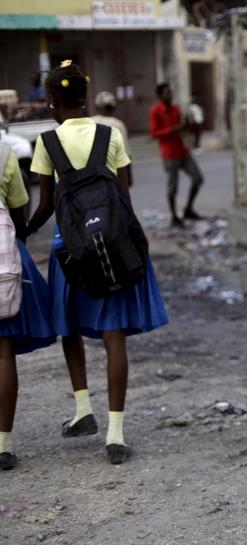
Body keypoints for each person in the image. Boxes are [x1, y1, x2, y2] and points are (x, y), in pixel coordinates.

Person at [27, 60, 169, 465]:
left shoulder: (47, 142)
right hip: (112, 246)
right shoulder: (110, 134)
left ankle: (82, 408)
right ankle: (116, 433)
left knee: (69, 327)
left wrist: (21, 233)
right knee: (114, 336)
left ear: (52, 100)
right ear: (85, 98)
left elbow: (46, 206)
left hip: (68, 251)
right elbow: (124, 197)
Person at [0, 139, 58, 471]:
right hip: (2, 259)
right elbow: (19, 209)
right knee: (4, 351)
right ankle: (3, 444)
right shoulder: (5, 153)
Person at [149, 82, 204, 228]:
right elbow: (154, 133)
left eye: (170, 91)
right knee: (173, 187)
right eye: (167, 92)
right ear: (160, 95)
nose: (170, 94)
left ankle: (188, 209)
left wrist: (187, 126)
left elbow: (182, 128)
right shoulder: (155, 111)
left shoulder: (175, 109)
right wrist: (173, 129)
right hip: (169, 153)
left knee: (198, 179)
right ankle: (174, 216)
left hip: (182, 150)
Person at [91, 91, 132, 187]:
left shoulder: (90, 121)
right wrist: (129, 175)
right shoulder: (118, 124)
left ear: (97, 107)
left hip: (94, 173)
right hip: (114, 173)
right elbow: (126, 153)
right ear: (114, 107)